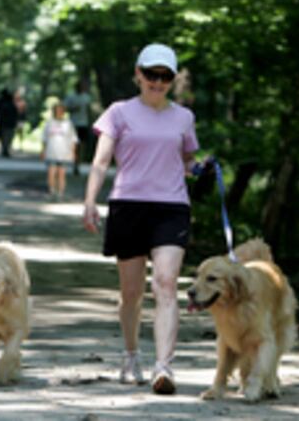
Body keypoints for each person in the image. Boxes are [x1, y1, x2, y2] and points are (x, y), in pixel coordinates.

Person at [82, 43, 199, 395]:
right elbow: (101, 162)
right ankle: (131, 354)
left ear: (172, 79)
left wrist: (201, 168)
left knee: (165, 283)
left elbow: (187, 161)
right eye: (151, 74)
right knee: (130, 294)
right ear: (138, 74)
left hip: (171, 207)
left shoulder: (183, 117)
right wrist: (90, 201)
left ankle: (163, 366)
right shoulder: (118, 113)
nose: (157, 82)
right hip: (128, 205)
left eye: (164, 76)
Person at [40, 102, 78, 200]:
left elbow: (73, 139)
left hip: (64, 152)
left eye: (61, 110)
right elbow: (44, 138)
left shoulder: (68, 124)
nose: (59, 112)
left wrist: (73, 152)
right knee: (51, 172)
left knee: (61, 173)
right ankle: (52, 191)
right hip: (51, 152)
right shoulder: (49, 123)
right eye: (57, 110)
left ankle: (60, 193)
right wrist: (43, 151)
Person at [64, 82, 92, 175]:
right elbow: (64, 108)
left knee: (81, 145)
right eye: (79, 86)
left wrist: (91, 122)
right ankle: (74, 162)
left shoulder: (86, 97)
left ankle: (78, 164)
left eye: (82, 86)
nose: (81, 88)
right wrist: (73, 109)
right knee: (74, 145)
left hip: (83, 124)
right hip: (73, 123)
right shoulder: (70, 97)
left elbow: (89, 110)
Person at [0, 88, 18, 157]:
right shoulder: (12, 103)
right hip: (10, 123)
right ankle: (6, 148)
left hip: (3, 123)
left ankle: (5, 148)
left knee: (3, 136)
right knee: (9, 136)